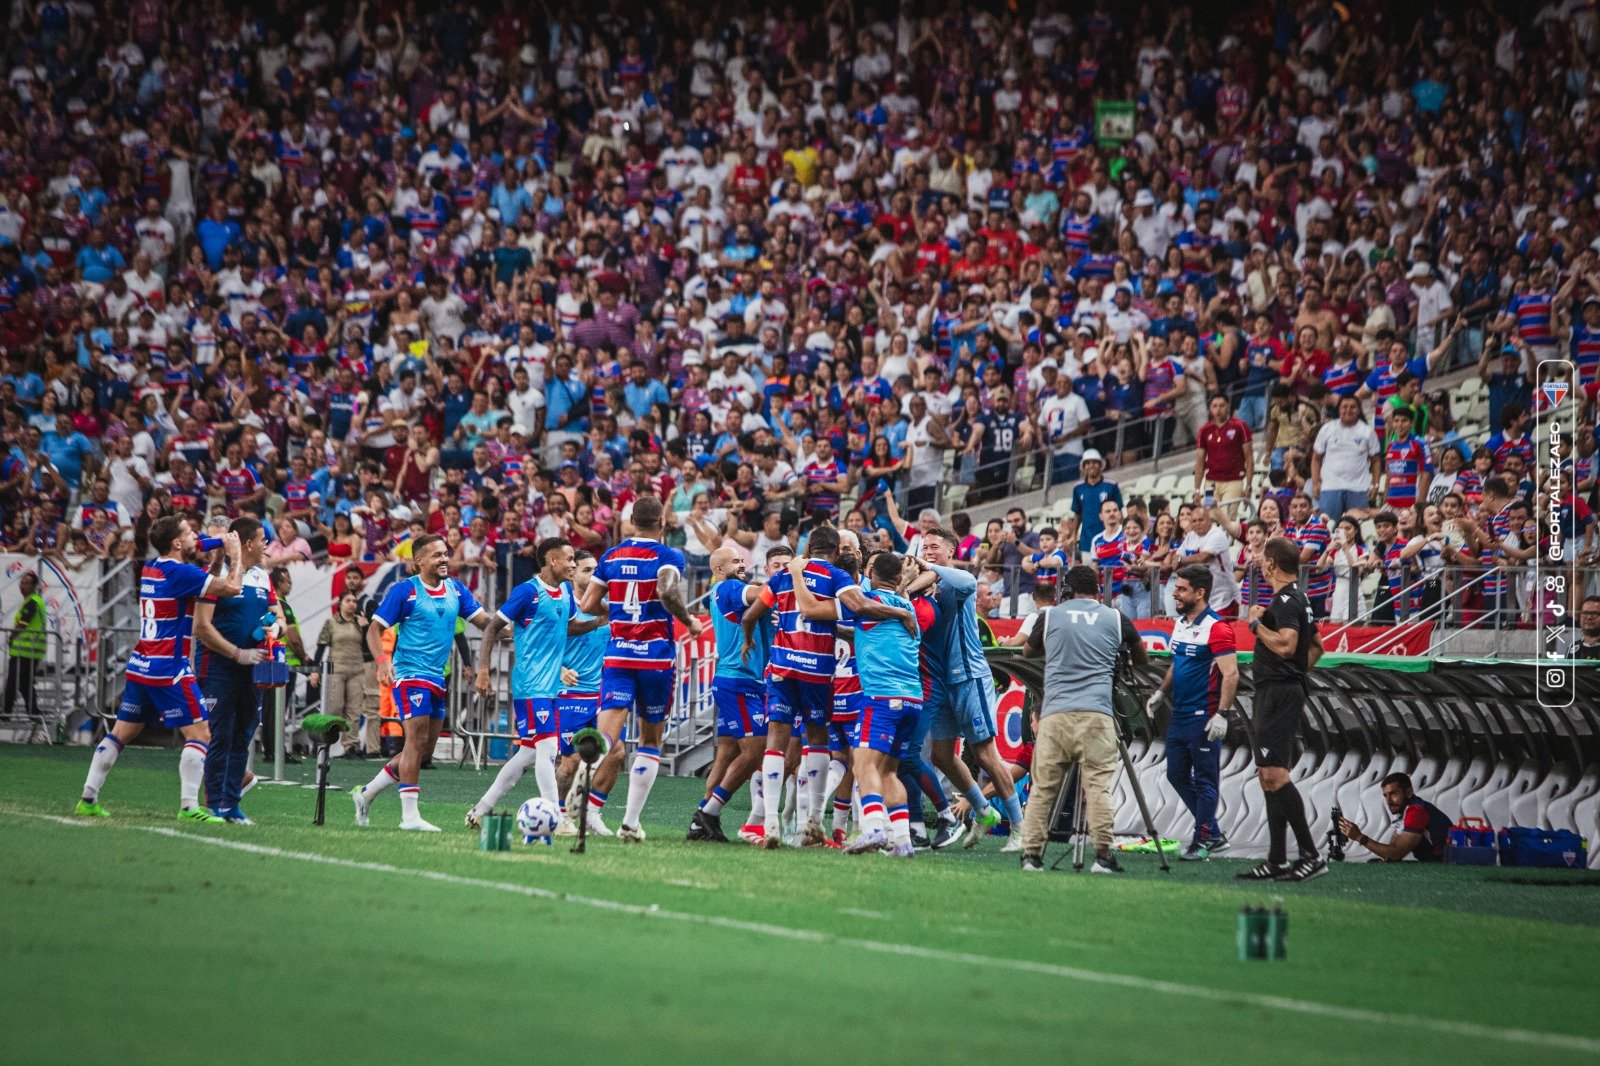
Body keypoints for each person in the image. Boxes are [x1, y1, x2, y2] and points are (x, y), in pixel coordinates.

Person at [740, 523, 911, 848]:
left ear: (808, 549)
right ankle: (812, 822)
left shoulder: (780, 578)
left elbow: (750, 616)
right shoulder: (837, 577)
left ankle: (771, 824)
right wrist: (900, 613)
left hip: (782, 667)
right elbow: (860, 607)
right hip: (817, 671)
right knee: (817, 740)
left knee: (775, 741)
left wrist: (749, 641)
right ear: (834, 551)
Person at [75, 518, 244, 821]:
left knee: (122, 732)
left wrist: (217, 554)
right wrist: (235, 552)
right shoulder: (181, 572)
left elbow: (201, 580)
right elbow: (232, 587)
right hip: (169, 667)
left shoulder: (154, 566)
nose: (197, 535)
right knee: (202, 734)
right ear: (177, 543)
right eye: (190, 532)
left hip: (141, 664)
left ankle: (88, 797)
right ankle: (190, 806)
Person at [575, 496, 703, 842]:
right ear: (662, 523)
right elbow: (666, 591)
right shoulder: (668, 556)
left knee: (604, 736)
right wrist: (688, 620)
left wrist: (615, 608)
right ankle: (630, 822)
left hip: (618, 655)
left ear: (630, 521)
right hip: (654, 658)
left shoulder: (611, 556)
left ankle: (580, 789)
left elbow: (587, 604)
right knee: (649, 739)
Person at [354, 534, 492, 832]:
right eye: (436, 555)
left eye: (446, 554)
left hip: (437, 677)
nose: (444, 559)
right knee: (414, 742)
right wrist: (382, 662)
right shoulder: (405, 591)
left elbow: (486, 623)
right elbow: (374, 630)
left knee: (424, 751)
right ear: (419, 561)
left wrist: (521, 623)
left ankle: (366, 794)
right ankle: (409, 817)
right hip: (409, 674)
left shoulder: (456, 589)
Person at [1020, 564, 1148, 873]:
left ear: (1065, 591)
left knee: (1043, 787)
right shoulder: (1117, 618)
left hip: (1055, 714)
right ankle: (1102, 856)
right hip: (1097, 714)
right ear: (1098, 591)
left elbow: (1027, 652)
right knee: (1098, 788)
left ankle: (1031, 856)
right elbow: (1142, 659)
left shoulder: (1049, 616)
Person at [467, 538, 601, 829]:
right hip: (530, 685)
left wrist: (599, 620)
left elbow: (569, 628)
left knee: (528, 753)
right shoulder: (528, 592)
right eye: (569, 560)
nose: (573, 565)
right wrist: (483, 670)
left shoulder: (565, 591)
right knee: (548, 748)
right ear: (552, 561)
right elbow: (493, 627)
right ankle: (556, 815)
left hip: (550, 686)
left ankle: (481, 809)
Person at [910, 527, 1028, 850]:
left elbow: (967, 582)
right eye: (924, 546)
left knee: (985, 754)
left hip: (968, 676)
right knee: (941, 755)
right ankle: (983, 809)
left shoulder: (958, 580)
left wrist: (925, 567)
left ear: (951, 551)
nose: (928, 551)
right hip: (939, 681)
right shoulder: (921, 586)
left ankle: (1019, 827)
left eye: (935, 546)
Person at [192, 516, 306, 823]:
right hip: (218, 667)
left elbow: (279, 616)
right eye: (261, 539)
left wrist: (276, 631)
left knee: (243, 736)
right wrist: (237, 653)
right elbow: (201, 628)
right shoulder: (214, 577)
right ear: (246, 544)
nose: (266, 544)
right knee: (219, 736)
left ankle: (231, 804)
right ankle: (213, 803)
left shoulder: (261, 577)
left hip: (253, 668)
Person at [824, 552, 932, 859]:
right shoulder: (907, 606)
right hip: (912, 699)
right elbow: (862, 630)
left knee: (862, 764)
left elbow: (854, 612)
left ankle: (873, 827)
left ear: (871, 576)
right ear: (899, 580)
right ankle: (902, 840)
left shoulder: (867, 601)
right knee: (888, 773)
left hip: (882, 697)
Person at [1237, 536, 1326, 882]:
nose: (1259, 561)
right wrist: (1297, 672)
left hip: (1278, 694)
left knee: (1276, 775)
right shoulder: (1297, 599)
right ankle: (1275, 859)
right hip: (1277, 690)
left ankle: (1310, 854)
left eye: (1262, 556)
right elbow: (1317, 645)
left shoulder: (1287, 600)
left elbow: (1288, 646)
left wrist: (1256, 626)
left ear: (1272, 563)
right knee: (1267, 775)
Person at [1145, 565, 1238, 860]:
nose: (1175, 593)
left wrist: (1222, 714)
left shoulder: (1218, 627)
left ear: (1200, 593)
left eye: (1182, 589)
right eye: (1176, 587)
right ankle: (1214, 833)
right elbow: (1177, 663)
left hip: (1204, 716)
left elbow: (1231, 674)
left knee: (1205, 780)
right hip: (1180, 714)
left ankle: (1201, 840)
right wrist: (1162, 692)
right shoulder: (1181, 623)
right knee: (1176, 775)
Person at [688, 543, 780, 844]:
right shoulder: (728, 588)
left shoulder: (729, 590)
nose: (741, 565)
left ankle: (699, 823)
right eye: (734, 561)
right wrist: (786, 579)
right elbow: (757, 595)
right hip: (740, 682)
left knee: (727, 753)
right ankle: (710, 813)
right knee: (755, 750)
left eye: (742, 560)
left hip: (737, 680)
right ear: (718, 569)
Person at [553, 550, 611, 836]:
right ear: (573, 573)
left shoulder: (608, 608)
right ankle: (559, 813)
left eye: (596, 570)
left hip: (602, 694)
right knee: (571, 761)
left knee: (612, 754)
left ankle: (592, 811)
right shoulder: (563, 605)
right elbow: (543, 645)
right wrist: (561, 668)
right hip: (569, 693)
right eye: (586, 570)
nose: (592, 575)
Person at [312, 591, 376, 756]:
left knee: (354, 710)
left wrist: (366, 627)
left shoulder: (360, 623)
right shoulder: (331, 623)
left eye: (354, 601)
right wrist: (315, 671)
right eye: (348, 600)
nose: (352, 604)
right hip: (336, 670)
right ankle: (325, 743)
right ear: (340, 603)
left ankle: (351, 746)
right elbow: (321, 647)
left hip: (357, 670)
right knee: (335, 708)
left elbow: (371, 647)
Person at [1337, 772, 1451, 862]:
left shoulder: (1416, 812)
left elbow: (1395, 855)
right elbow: (1392, 848)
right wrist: (1385, 854)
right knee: (1374, 862)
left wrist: (1359, 837)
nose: (1388, 801)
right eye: (1386, 795)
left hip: (1442, 865)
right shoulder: (1406, 809)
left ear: (1409, 792)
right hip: (1432, 862)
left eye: (1394, 794)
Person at [5, 572, 46, 725]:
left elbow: (22, 624)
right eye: (22, 583)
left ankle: (5, 713)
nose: (23, 586)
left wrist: (11, 637)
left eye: (27, 583)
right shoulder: (31, 601)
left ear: (35, 586)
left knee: (13, 682)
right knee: (25, 684)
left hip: (26, 651)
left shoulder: (33, 602)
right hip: (28, 651)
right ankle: (35, 715)